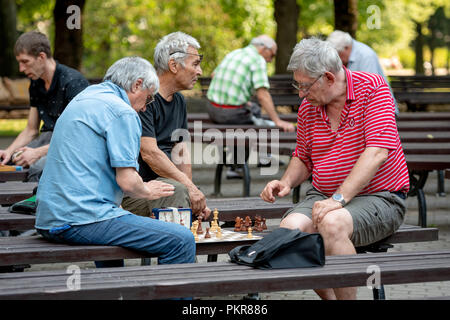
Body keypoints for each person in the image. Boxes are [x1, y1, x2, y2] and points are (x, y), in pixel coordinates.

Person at [260, 38, 409, 300]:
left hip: (381, 197)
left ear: (328, 77)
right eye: (298, 85)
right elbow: (303, 157)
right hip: (324, 195)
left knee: (332, 223)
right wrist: (286, 182)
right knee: (289, 232)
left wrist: (339, 199)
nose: (300, 94)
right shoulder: (309, 107)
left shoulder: (373, 88)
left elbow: (376, 152)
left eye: (304, 85)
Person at [35, 57, 195, 268]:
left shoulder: (86, 97)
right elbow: (128, 183)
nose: (146, 108)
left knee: (114, 217)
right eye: (148, 99)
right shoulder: (122, 111)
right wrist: (146, 190)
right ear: (137, 84)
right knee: (181, 239)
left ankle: (114, 290)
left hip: (49, 218)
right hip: (80, 220)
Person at [121, 32, 210, 219]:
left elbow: (181, 151)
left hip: (169, 190)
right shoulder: (144, 99)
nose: (200, 71)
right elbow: (150, 153)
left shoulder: (179, 101)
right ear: (173, 65)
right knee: (178, 190)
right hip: (136, 192)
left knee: (184, 193)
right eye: (195, 64)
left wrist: (191, 194)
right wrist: (187, 189)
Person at [0, 31, 89, 182]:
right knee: (7, 163)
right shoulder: (36, 83)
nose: (21, 68)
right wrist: (9, 151)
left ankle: (31, 205)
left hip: (71, 145)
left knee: (37, 168)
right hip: (45, 140)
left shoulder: (73, 82)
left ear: (41, 57)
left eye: (25, 61)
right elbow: (31, 130)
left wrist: (37, 153)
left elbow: (81, 135)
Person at [207, 35, 294, 177]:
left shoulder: (235, 53)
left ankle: (260, 157)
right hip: (230, 114)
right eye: (271, 55)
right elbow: (263, 95)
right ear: (263, 49)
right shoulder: (257, 60)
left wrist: (235, 96)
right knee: (256, 124)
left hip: (212, 109)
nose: (271, 60)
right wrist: (278, 121)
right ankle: (238, 166)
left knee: (253, 109)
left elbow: (213, 75)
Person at [327, 30, 399, 114]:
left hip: (380, 110)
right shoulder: (350, 54)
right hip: (363, 110)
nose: (337, 58)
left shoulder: (366, 56)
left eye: (338, 53)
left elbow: (369, 90)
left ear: (346, 47)